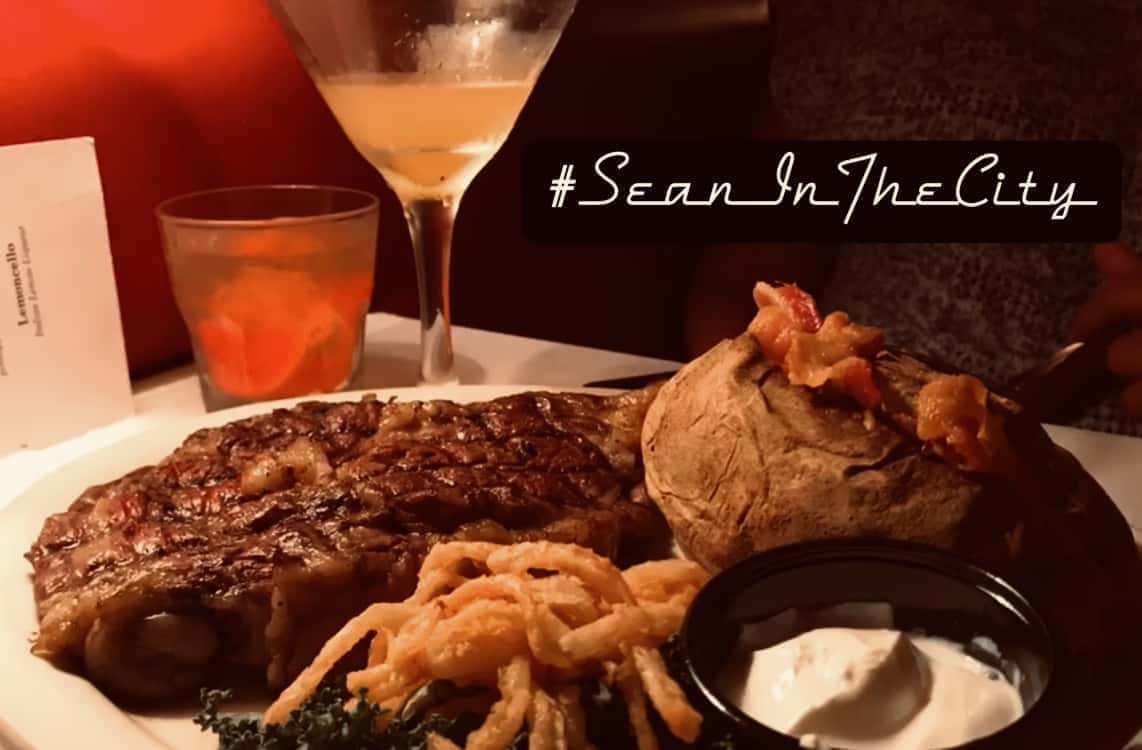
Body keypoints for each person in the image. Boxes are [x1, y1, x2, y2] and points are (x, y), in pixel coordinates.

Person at [685, 0, 1142, 436]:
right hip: (833, 420)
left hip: (1105, 447)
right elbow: (743, 269)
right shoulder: (835, 20)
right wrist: (743, 408)